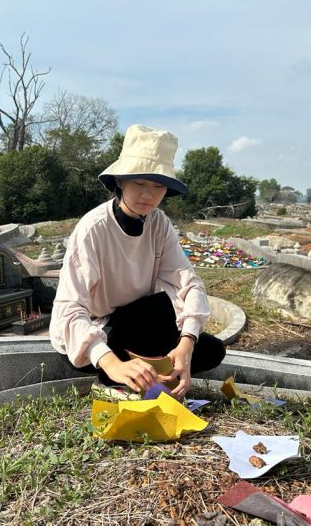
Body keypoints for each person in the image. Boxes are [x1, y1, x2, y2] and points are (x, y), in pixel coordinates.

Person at [49, 124, 225, 400]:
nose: (148, 195)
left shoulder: (158, 224)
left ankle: (142, 374)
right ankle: (115, 376)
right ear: (120, 181)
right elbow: (69, 308)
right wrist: (112, 362)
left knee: (211, 349)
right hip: (99, 334)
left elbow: (187, 283)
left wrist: (186, 345)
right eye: (139, 183)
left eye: (158, 186)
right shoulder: (93, 229)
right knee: (151, 312)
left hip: (141, 328)